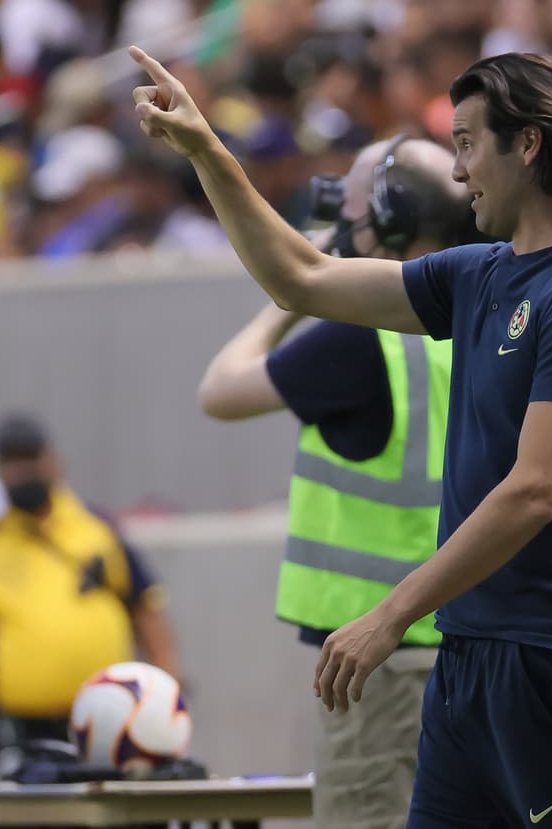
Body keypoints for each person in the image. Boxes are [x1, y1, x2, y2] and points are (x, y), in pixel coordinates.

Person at [131, 46, 552, 828]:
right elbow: (301, 277)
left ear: (531, 144)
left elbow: (536, 489)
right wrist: (207, 149)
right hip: (467, 658)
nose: (459, 170)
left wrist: (390, 614)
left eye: (470, 143)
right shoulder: (477, 275)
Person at [198, 135, 472, 828]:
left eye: (349, 202)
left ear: (389, 220)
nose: (336, 216)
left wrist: (303, 282)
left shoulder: (364, 336)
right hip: (463, 654)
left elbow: (222, 390)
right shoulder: (486, 316)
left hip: (377, 662)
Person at [0, 413, 180, 764]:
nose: (23, 471)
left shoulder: (96, 527)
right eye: (12, 462)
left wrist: (168, 698)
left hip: (111, 722)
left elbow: (147, 608)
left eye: (30, 459)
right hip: (18, 733)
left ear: (53, 462)